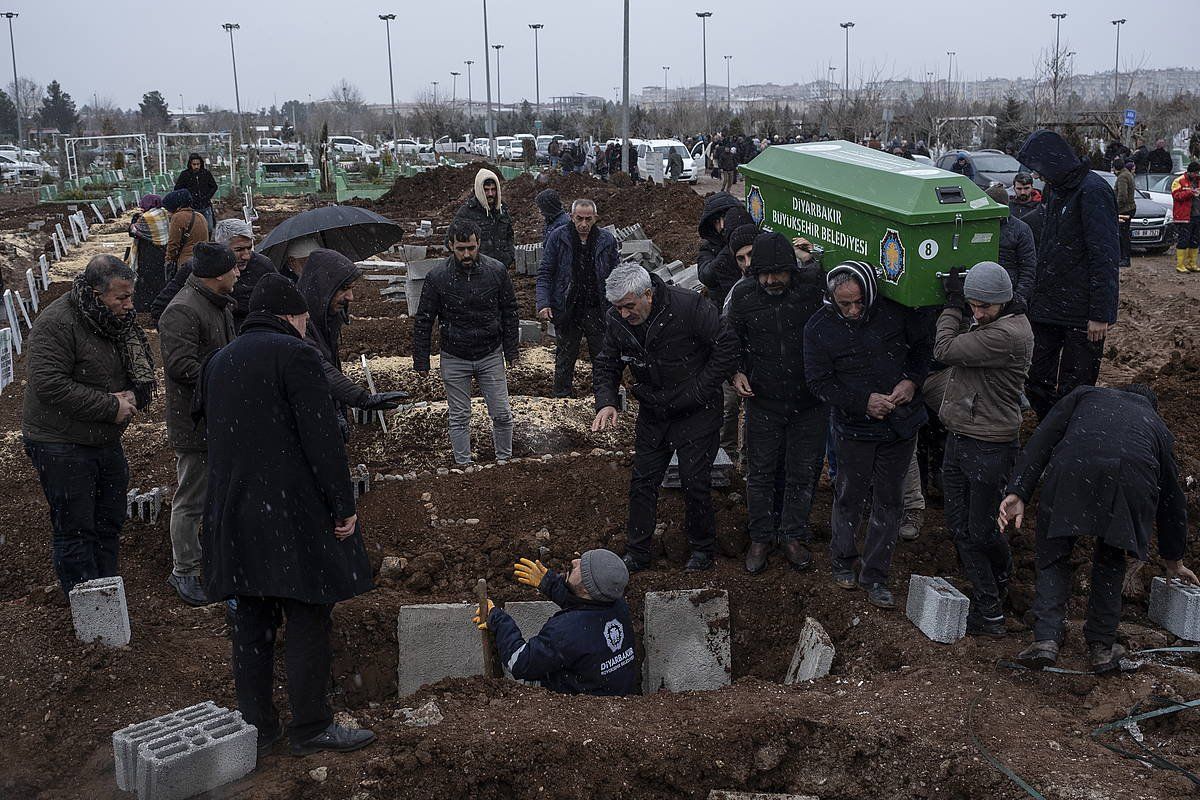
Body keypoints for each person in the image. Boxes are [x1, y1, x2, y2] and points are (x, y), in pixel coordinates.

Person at [200, 273, 376, 757]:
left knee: (252, 622)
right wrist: (343, 506)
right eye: (303, 320)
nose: (305, 328)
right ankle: (311, 726)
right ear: (292, 317)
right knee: (307, 614)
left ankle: (258, 725)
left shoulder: (219, 361)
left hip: (234, 513)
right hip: (290, 514)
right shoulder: (297, 355)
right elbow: (322, 441)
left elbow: (210, 436)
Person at [1001, 385, 1198, 673]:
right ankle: (1102, 649)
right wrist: (1174, 560)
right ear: (1150, 404)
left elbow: (1043, 438)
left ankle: (1045, 641)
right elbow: (1172, 499)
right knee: (1110, 560)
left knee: (1053, 554)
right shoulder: (1156, 424)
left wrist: (1018, 490)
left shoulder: (1084, 395)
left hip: (1073, 469)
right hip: (1129, 480)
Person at [591, 263, 739, 573]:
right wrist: (606, 402)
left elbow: (726, 346)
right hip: (654, 411)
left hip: (696, 410)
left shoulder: (689, 306)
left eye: (629, 306)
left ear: (648, 295)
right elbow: (607, 363)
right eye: (617, 308)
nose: (623, 314)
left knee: (694, 480)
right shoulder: (617, 321)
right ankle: (637, 551)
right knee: (643, 481)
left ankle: (701, 549)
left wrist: (700, 389)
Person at [22, 255, 156, 597]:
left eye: (130, 296)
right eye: (121, 298)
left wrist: (133, 393)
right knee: (76, 527)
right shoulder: (57, 323)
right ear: (96, 294)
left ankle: (107, 588)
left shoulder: (115, 322)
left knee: (109, 519)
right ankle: (86, 604)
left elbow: (123, 366)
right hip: (59, 441)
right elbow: (49, 384)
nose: (129, 305)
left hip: (101, 438)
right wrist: (110, 406)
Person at [803, 261, 933, 609]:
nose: (853, 310)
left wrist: (911, 381)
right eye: (844, 304)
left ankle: (876, 574)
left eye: (859, 302)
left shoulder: (895, 313)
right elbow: (818, 382)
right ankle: (843, 559)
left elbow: (924, 349)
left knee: (889, 500)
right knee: (849, 496)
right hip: (854, 428)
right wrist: (862, 402)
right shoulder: (819, 328)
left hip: (899, 423)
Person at [922, 263, 1033, 636]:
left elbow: (944, 348)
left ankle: (990, 608)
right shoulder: (994, 323)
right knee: (959, 525)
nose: (978, 313)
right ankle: (998, 584)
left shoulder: (1006, 335)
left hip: (990, 445)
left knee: (980, 531)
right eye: (972, 305)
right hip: (962, 436)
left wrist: (952, 307)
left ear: (1004, 302)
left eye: (984, 307)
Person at [727, 231, 826, 574]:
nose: (771, 280)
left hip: (809, 402)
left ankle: (792, 535)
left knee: (802, 472)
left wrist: (810, 258)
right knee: (761, 472)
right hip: (764, 402)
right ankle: (760, 536)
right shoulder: (743, 296)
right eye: (764, 274)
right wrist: (736, 372)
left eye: (778, 273)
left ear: (791, 270)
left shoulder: (812, 288)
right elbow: (731, 341)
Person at [1016, 130, 1120, 422]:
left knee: (1076, 390)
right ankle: (1053, 428)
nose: (1037, 178)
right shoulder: (1056, 190)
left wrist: (1100, 313)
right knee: (1035, 378)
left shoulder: (1093, 191)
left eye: (1039, 170)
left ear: (1054, 162)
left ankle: (1069, 440)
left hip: (1082, 314)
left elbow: (1105, 255)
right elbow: (1049, 245)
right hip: (1048, 307)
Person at [158, 243, 240, 606]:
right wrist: (226, 372)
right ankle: (184, 572)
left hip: (216, 418)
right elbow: (181, 367)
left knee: (212, 496)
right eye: (232, 269)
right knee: (191, 498)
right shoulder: (182, 311)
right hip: (195, 422)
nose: (238, 274)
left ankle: (208, 560)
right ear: (216, 275)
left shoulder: (215, 304)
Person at [413, 219, 519, 465]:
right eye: (461, 248)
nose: (467, 253)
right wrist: (421, 360)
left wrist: (512, 350)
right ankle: (463, 465)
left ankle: (505, 462)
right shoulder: (438, 277)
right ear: (450, 246)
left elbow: (510, 311)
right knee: (460, 416)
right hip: (454, 355)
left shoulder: (496, 271)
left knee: (502, 413)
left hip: (490, 352)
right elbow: (424, 319)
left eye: (471, 247)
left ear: (478, 243)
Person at [473, 551, 636, 696]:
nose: (574, 562)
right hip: (618, 694)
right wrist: (549, 584)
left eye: (582, 568)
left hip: (581, 710)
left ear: (587, 589)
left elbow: (519, 662)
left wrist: (499, 620)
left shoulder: (567, 631)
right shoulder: (616, 603)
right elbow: (585, 605)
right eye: (582, 559)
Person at [297, 248, 407, 433]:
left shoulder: (326, 318)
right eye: (344, 289)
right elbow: (318, 367)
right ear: (324, 287)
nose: (351, 297)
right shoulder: (300, 324)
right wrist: (362, 399)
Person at [536, 199, 618, 398]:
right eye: (579, 218)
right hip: (567, 307)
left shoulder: (606, 240)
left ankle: (604, 397)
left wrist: (617, 305)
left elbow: (616, 273)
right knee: (565, 356)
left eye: (588, 219)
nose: (583, 224)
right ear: (571, 217)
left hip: (596, 308)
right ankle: (561, 397)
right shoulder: (558, 238)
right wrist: (544, 302)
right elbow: (546, 272)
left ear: (595, 218)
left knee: (602, 356)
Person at [151, 218, 280, 328]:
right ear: (220, 247)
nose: (246, 256)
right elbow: (160, 308)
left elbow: (282, 302)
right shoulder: (197, 268)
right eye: (239, 249)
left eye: (249, 248)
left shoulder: (263, 265)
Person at [983, 185, 1037, 306]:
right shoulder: (980, 225)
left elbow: (1028, 267)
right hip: (985, 289)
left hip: (1009, 291)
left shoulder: (1021, 229)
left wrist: (1019, 297)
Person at [452, 168, 515, 268]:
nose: (490, 194)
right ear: (479, 189)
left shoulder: (502, 210)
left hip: (502, 268)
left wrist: (510, 256)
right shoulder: (467, 212)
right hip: (478, 270)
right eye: (486, 190)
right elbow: (451, 241)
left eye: (493, 189)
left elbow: (509, 236)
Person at [129, 194, 171, 312]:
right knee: (159, 280)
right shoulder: (162, 213)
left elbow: (132, 231)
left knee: (146, 281)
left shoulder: (147, 217)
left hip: (149, 253)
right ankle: (160, 304)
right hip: (161, 252)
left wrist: (134, 219)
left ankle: (145, 307)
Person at [696, 192, 742, 290]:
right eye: (716, 221)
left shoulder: (751, 236)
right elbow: (707, 276)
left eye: (725, 218)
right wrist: (732, 244)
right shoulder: (708, 248)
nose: (722, 225)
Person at [162, 189, 208, 272]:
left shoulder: (178, 217)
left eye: (168, 209)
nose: (168, 213)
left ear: (176, 206)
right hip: (203, 260)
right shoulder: (200, 216)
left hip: (187, 264)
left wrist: (168, 260)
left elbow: (173, 244)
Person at [174, 153, 219, 233]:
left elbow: (214, 186)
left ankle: (207, 243)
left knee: (209, 228)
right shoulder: (185, 175)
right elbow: (177, 189)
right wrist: (187, 200)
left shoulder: (206, 173)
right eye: (194, 164)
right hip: (192, 208)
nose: (196, 167)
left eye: (198, 164)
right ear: (190, 164)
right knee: (194, 230)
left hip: (205, 206)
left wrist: (207, 197)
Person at [1170, 162, 1200, 274]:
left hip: (1197, 215)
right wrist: (1190, 193)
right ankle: (1180, 264)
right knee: (1184, 240)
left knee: (1195, 240)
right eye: (1195, 172)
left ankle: (1192, 263)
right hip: (1184, 216)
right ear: (1190, 172)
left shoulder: (1198, 180)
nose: (1197, 174)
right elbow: (1176, 195)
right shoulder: (1179, 180)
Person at [1114, 159, 1137, 269]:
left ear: (1115, 168)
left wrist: (1115, 208)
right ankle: (1124, 258)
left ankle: (1125, 259)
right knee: (1124, 235)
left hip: (1124, 210)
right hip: (1129, 208)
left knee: (1123, 236)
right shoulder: (1127, 174)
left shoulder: (1122, 177)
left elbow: (1122, 196)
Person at [1009, 173, 1044, 244]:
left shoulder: (1041, 206)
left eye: (1026, 188)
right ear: (1014, 188)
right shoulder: (1009, 206)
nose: (1023, 192)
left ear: (1032, 187)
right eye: (1019, 189)